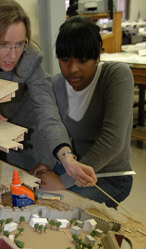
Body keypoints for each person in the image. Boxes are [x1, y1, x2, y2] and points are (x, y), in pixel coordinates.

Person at [0, 0, 96, 188]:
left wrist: (67, 157)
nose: (13, 55)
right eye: (4, 44)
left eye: (20, 44)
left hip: (29, 141)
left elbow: (48, 112)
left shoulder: (30, 58)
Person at [30, 16, 134, 208]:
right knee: (31, 192)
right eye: (65, 59)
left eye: (83, 60)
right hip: (70, 170)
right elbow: (52, 127)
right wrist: (53, 165)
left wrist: (62, 181)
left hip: (109, 177)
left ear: (97, 57)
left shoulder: (116, 76)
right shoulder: (56, 84)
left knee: (53, 203)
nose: (72, 69)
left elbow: (113, 142)